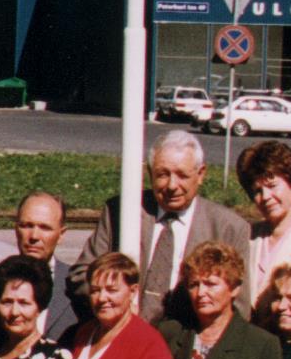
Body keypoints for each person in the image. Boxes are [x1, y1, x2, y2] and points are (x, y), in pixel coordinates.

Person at [77, 130, 256, 325]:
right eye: (162, 174)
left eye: (182, 175)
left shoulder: (229, 228)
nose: (172, 185)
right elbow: (81, 277)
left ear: (201, 174)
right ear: (150, 173)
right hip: (122, 336)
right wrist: (114, 306)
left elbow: (238, 307)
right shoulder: (121, 211)